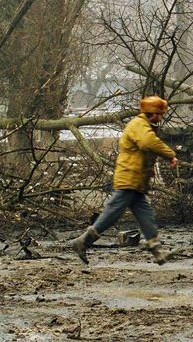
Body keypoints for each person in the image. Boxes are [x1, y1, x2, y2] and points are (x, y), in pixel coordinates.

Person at [70, 96, 178, 265]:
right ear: (152, 112)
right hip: (129, 178)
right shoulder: (139, 125)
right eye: (159, 113)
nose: (161, 117)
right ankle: (82, 242)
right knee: (112, 213)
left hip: (137, 180)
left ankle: (156, 250)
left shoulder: (143, 125)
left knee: (145, 214)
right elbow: (147, 142)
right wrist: (170, 154)